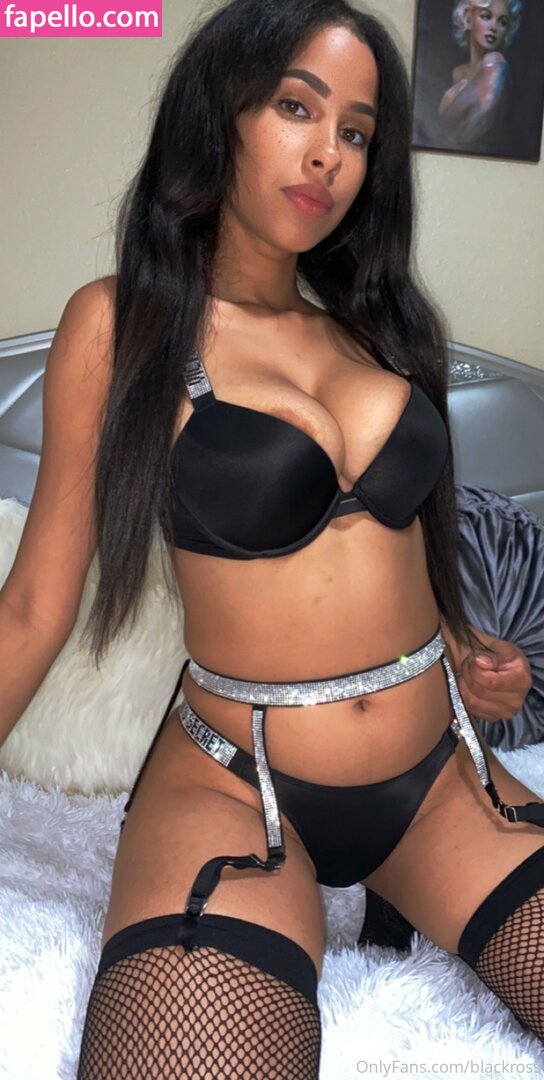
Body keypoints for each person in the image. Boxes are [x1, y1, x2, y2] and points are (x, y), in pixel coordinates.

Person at [1, 1, 542, 1075]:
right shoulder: (123, 327)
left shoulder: (382, 329)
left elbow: (395, 550)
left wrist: (467, 651)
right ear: (221, 113)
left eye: (357, 131)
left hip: (440, 774)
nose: (329, 154)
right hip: (232, 783)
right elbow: (31, 609)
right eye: (297, 107)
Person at [438, 0, 521, 150]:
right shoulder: (458, 72)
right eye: (486, 16)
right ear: (468, 20)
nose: (494, 27)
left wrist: (445, 111)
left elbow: (473, 130)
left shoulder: (495, 63)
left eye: (502, 22)